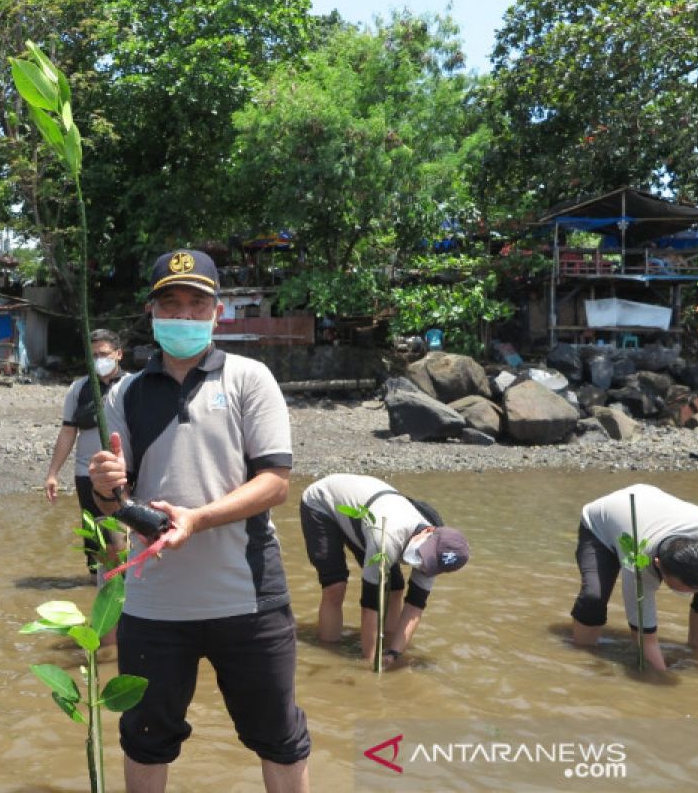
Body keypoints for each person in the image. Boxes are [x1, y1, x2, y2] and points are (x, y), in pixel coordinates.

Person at [88, 249, 310, 792]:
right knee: (143, 737)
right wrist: (104, 491)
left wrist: (199, 518)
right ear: (151, 311)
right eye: (172, 304)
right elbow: (118, 505)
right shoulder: (126, 393)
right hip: (153, 606)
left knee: (280, 736)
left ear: (217, 314)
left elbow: (276, 482)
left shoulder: (250, 379)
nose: (184, 315)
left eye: (196, 304)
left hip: (248, 598)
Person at [299, 474, 469, 667]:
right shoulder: (387, 539)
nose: (421, 564)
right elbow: (370, 606)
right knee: (335, 587)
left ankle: (386, 642)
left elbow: (415, 606)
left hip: (369, 515)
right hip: (324, 503)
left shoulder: (437, 555)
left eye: (427, 563)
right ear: (428, 533)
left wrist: (394, 653)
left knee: (395, 587)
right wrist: (371, 661)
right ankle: (328, 652)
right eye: (423, 556)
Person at [570, 483, 698, 671]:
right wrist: (661, 677)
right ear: (658, 564)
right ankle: (582, 651)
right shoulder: (639, 568)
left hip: (649, 505)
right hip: (601, 525)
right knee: (594, 596)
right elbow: (645, 639)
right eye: (683, 589)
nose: (691, 593)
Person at [44, 328, 128, 572]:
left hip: (124, 473)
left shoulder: (133, 385)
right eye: (93, 355)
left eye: (103, 354)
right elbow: (68, 432)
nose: (98, 360)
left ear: (119, 354)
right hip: (87, 474)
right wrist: (52, 474)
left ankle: (127, 585)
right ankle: (98, 583)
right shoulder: (78, 388)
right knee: (95, 534)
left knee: (124, 531)